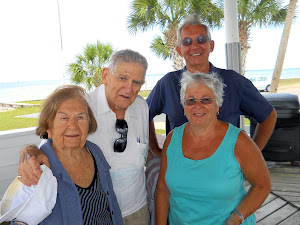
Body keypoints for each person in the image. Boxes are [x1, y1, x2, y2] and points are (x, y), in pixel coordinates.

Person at [17, 49, 150, 225]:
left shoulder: (141, 106)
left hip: (137, 209)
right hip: (96, 213)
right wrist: (30, 152)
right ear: (105, 75)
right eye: (122, 78)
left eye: (136, 82)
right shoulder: (83, 105)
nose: (128, 88)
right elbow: (52, 139)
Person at [146, 14, 277, 156]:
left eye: (201, 39)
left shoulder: (234, 81)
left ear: (211, 45)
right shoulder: (167, 83)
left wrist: (251, 154)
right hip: (179, 171)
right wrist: (155, 151)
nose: (194, 46)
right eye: (187, 42)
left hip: (225, 172)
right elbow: (143, 115)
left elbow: (268, 115)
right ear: (179, 50)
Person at [156, 71, 271, 225]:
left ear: (217, 105)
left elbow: (262, 185)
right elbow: (163, 189)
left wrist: (237, 217)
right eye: (191, 100)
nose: (198, 106)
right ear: (184, 106)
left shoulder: (239, 141)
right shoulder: (172, 139)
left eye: (206, 100)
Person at [10, 85, 123, 224]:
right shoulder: (38, 167)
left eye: (80, 117)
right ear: (48, 127)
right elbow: (20, 220)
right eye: (64, 118)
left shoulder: (95, 152)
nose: (73, 125)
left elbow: (111, 205)